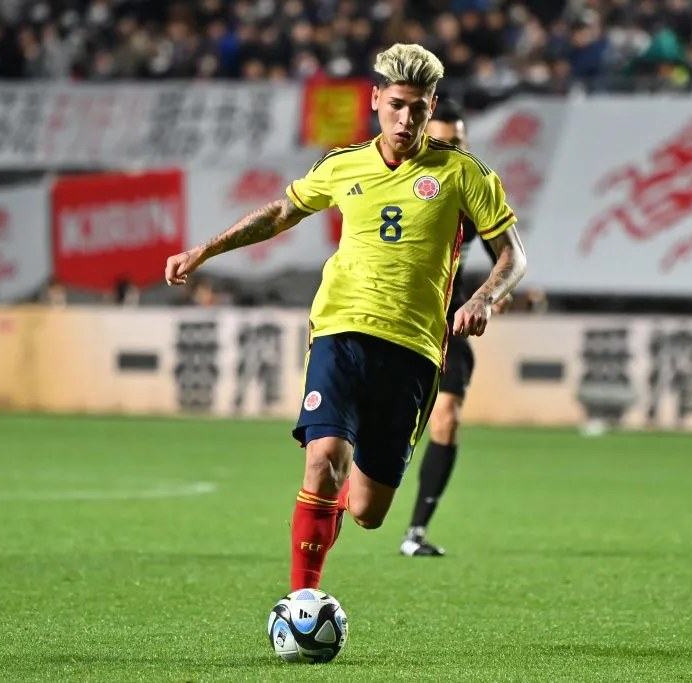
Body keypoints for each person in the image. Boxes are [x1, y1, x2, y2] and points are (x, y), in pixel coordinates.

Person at [164, 43, 527, 592]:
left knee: (366, 509)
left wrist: (483, 299)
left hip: (414, 350)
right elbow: (281, 212)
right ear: (377, 99)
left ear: (431, 108)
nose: (407, 119)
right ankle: (302, 601)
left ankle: (331, 530)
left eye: (420, 109)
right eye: (397, 105)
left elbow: (513, 256)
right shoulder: (342, 165)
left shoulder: (461, 173)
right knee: (322, 459)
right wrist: (205, 251)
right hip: (341, 331)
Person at [399, 99, 510, 557]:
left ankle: (415, 533)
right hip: (395, 319)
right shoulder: (401, 185)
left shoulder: (471, 190)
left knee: (448, 417)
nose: (454, 149)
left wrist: (490, 295)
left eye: (460, 141)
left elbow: (505, 255)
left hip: (448, 323)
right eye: (444, 141)